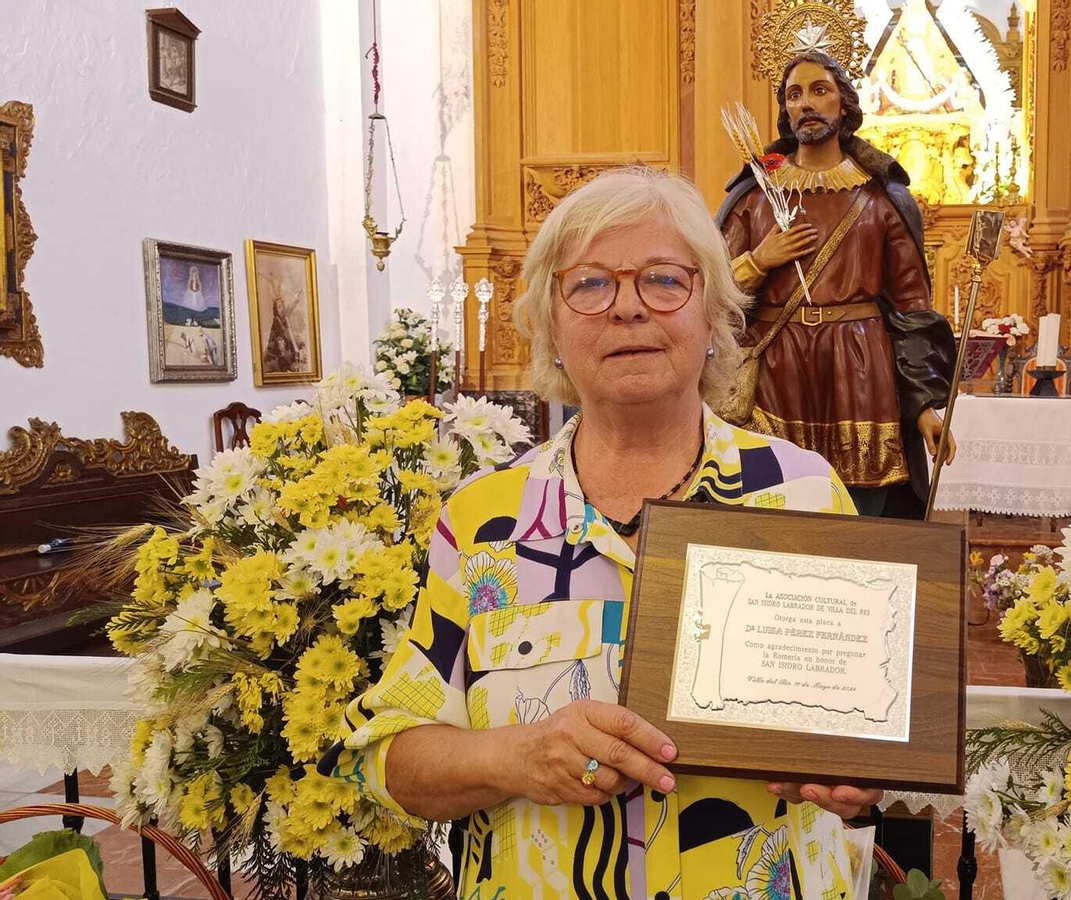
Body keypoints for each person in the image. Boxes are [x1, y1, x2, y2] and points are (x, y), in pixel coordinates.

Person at [321, 168, 881, 900]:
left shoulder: (801, 495)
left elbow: (868, 732)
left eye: (662, 280)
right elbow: (389, 761)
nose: (627, 309)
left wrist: (860, 770)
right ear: (550, 328)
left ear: (713, 313)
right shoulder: (483, 521)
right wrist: (514, 757)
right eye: (588, 285)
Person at [718, 50, 956, 519]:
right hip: (777, 365)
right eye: (794, 94)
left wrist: (925, 403)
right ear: (785, 110)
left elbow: (911, 305)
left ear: (843, 105)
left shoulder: (881, 197)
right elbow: (711, 294)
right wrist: (759, 260)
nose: (806, 103)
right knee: (774, 497)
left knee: (859, 507)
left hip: (859, 365)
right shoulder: (755, 195)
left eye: (819, 90)